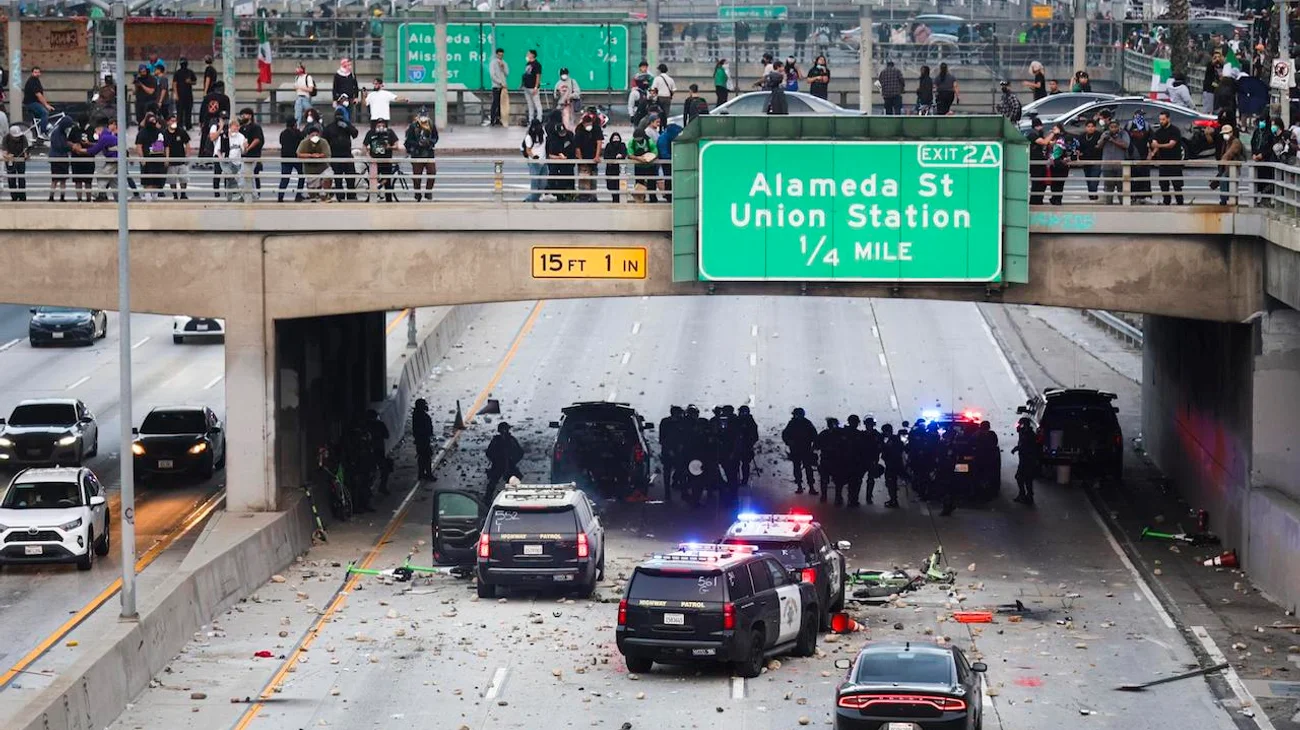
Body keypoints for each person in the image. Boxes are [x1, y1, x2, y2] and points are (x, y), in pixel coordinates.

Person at [1149, 110, 1185, 205]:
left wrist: (1158, 146)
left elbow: (1171, 145)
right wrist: (1153, 152)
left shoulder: (1175, 130)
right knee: (1163, 185)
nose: (1161, 121)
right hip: (1163, 162)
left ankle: (1180, 202)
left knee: (1177, 185)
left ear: (1168, 119)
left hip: (1174, 162)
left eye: (1163, 119)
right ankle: (1166, 202)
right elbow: (1154, 143)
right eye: (1160, 119)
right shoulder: (1158, 132)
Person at [324, 109, 359, 201]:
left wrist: (347, 127)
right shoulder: (330, 127)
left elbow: (355, 133)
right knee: (338, 179)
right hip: (335, 155)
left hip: (347, 154)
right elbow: (324, 139)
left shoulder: (346, 124)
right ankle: (340, 196)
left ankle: (351, 195)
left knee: (350, 177)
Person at [781, 407, 818, 494]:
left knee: (808, 469)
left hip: (805, 449)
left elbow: (814, 435)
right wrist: (789, 442)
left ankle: (810, 487)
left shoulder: (806, 423)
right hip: (796, 449)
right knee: (798, 468)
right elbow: (785, 435)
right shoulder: (792, 423)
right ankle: (800, 486)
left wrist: (814, 445)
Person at [406, 107, 439, 201]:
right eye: (422, 115)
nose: (423, 118)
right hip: (417, 153)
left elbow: (435, 137)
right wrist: (417, 144)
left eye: (425, 115)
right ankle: (417, 193)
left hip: (428, 152)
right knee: (417, 176)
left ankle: (428, 192)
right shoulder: (413, 126)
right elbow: (409, 140)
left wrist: (429, 142)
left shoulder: (431, 124)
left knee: (432, 172)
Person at [364, 118, 399, 202]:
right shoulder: (370, 133)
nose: (381, 127)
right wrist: (368, 156)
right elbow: (364, 146)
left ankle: (389, 199)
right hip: (374, 162)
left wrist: (389, 147)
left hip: (386, 161)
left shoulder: (390, 133)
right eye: (379, 125)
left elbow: (397, 146)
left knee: (387, 182)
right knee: (372, 181)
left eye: (383, 125)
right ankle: (371, 198)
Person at [572, 110, 603, 202]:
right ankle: (583, 196)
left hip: (593, 156)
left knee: (593, 177)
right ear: (583, 124)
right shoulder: (579, 129)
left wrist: (597, 156)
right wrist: (581, 160)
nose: (588, 126)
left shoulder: (596, 128)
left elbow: (599, 142)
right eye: (587, 124)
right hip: (583, 156)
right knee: (583, 178)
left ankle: (593, 196)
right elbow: (577, 147)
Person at [296, 123, 332, 201]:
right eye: (312, 135)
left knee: (328, 177)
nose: (315, 137)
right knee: (312, 192)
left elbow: (326, 153)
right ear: (308, 136)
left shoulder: (323, 142)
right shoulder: (304, 143)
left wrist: (319, 156)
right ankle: (314, 196)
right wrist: (311, 155)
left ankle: (325, 195)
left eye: (316, 135)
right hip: (310, 169)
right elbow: (299, 154)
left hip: (323, 167)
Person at [136, 111, 168, 198]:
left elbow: (166, 146)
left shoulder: (160, 132)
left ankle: (154, 198)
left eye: (154, 120)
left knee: (157, 182)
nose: (153, 122)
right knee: (147, 181)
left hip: (158, 159)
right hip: (148, 160)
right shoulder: (142, 132)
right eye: (150, 120)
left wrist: (166, 158)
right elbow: (139, 146)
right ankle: (148, 199)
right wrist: (142, 158)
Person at [485, 422, 524, 492]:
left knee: (510, 482)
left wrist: (513, 461)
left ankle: (488, 499)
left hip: (505, 464)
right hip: (501, 464)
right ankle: (487, 499)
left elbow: (488, 453)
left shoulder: (500, 440)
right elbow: (520, 452)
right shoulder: (507, 440)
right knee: (494, 482)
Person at [1100, 118, 1130, 205]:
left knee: (1121, 186)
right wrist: (1104, 140)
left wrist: (1113, 140)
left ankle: (1123, 204)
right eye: (1111, 127)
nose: (1113, 129)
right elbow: (1098, 146)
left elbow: (1126, 145)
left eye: (1115, 127)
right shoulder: (1105, 133)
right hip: (1107, 165)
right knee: (1109, 187)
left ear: (1118, 127)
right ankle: (1109, 204)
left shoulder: (1123, 134)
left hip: (1120, 165)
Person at [238, 108, 265, 199]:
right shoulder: (241, 128)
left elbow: (257, 139)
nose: (242, 117)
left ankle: (254, 195)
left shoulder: (255, 127)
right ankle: (247, 194)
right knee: (246, 176)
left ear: (250, 116)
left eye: (244, 115)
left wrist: (248, 148)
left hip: (253, 155)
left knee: (251, 176)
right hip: (243, 156)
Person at [629, 120, 659, 203]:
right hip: (639, 166)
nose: (638, 140)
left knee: (651, 183)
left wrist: (649, 158)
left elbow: (655, 152)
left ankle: (653, 198)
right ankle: (640, 199)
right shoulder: (632, 142)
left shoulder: (649, 141)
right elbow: (630, 154)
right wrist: (639, 159)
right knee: (639, 183)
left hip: (650, 165)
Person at [545, 119, 576, 201]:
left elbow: (574, 147)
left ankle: (570, 195)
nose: (563, 134)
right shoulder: (553, 139)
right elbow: (550, 155)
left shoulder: (570, 135)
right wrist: (559, 157)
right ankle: (559, 196)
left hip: (568, 162)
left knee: (569, 179)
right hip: (557, 164)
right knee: (557, 180)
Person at [1011, 417, 1039, 505]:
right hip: (1025, 460)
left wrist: (1016, 449)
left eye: (1019, 424)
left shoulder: (1028, 435)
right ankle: (1027, 495)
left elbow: (1025, 446)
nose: (1017, 427)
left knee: (1022, 477)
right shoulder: (1024, 433)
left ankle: (1025, 495)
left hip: (1027, 460)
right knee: (1026, 478)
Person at [1126, 109, 1153, 203]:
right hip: (1132, 155)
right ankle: (1132, 196)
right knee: (1132, 176)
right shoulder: (1129, 125)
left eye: (1142, 115)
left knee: (1144, 176)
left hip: (1143, 155)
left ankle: (1144, 196)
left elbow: (1151, 140)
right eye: (1138, 115)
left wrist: (1151, 153)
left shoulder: (1147, 126)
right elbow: (1126, 138)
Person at [658, 406, 685, 499]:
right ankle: (667, 493)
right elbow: (662, 438)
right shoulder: (666, 422)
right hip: (668, 450)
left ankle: (682, 491)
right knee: (668, 472)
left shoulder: (681, 421)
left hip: (678, 450)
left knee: (681, 471)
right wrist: (669, 450)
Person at [364, 410, 392, 497]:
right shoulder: (379, 424)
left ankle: (369, 490)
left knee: (370, 472)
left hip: (370, 451)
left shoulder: (366, 425)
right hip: (377, 450)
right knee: (384, 470)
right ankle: (381, 487)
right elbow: (387, 435)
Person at [1025, 116, 1052, 205]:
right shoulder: (1032, 134)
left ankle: (1039, 200)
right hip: (1035, 164)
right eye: (1040, 126)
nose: (1042, 128)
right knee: (1036, 183)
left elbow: (1047, 143)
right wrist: (1052, 134)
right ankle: (1034, 201)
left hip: (1042, 163)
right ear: (1036, 126)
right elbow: (1043, 142)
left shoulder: (1039, 135)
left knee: (1042, 183)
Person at [277, 116, 305, 202]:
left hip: (285, 158)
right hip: (297, 158)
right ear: (294, 124)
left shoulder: (283, 133)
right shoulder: (297, 133)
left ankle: (280, 196)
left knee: (285, 178)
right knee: (302, 176)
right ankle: (298, 195)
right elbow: (302, 142)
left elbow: (281, 142)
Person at [815, 417, 841, 504]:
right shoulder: (838, 434)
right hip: (828, 459)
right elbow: (816, 445)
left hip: (835, 460)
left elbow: (816, 446)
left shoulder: (838, 434)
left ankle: (834, 496)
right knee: (827, 479)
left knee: (836, 480)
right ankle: (828, 496)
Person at [1251, 114, 1276, 202]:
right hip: (1257, 160)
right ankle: (1259, 199)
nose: (1262, 123)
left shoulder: (1269, 133)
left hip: (1266, 161)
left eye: (1264, 121)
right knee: (1258, 181)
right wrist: (1254, 154)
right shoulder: (1257, 132)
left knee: (1266, 181)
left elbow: (1271, 147)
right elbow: (1253, 143)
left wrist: (1263, 154)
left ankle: (1266, 200)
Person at [48, 115, 74, 202]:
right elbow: (60, 146)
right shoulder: (57, 133)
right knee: (57, 180)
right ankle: (53, 197)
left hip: (58, 157)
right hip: (58, 157)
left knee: (59, 180)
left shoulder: (59, 132)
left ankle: (59, 197)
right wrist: (70, 147)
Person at [1216, 124, 1244, 205]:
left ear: (1231, 133)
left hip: (1233, 167)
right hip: (1226, 167)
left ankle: (1225, 200)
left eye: (1227, 133)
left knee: (1227, 182)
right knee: (1225, 182)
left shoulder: (1235, 142)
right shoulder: (1226, 142)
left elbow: (1230, 152)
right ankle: (1226, 199)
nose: (1225, 135)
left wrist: (1223, 159)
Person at [1078, 119, 1103, 200]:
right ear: (1086, 127)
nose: (1090, 128)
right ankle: (1092, 194)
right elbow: (1079, 147)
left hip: (1096, 160)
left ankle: (1093, 194)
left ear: (1095, 127)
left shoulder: (1099, 135)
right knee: (1088, 178)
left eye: (1092, 126)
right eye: (1088, 126)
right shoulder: (1082, 136)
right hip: (1086, 160)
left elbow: (1098, 147)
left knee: (1094, 179)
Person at [23, 67, 54, 135]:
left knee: (38, 119)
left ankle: (37, 135)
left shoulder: (36, 80)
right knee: (44, 113)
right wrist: (46, 105)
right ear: (32, 73)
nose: (37, 74)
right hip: (31, 103)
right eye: (35, 72)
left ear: (40, 73)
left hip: (33, 102)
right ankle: (43, 133)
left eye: (38, 72)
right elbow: (38, 94)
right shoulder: (33, 81)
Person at [973, 420, 999, 498]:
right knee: (986, 476)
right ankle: (985, 492)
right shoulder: (992, 434)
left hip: (981, 459)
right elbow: (995, 444)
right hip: (988, 459)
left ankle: (981, 492)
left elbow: (970, 443)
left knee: (980, 476)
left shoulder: (977, 434)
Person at [2, 125, 30, 201]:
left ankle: (22, 197)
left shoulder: (23, 137)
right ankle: (14, 196)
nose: (17, 138)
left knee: (21, 178)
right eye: (15, 137)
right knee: (11, 178)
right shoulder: (6, 138)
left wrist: (26, 154)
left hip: (20, 159)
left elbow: (25, 149)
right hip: (10, 159)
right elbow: (4, 151)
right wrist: (7, 156)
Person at [522, 117, 546, 202]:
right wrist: (533, 157)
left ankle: (532, 198)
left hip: (544, 162)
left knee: (543, 183)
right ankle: (532, 199)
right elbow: (528, 150)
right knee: (535, 183)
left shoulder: (543, 134)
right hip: (534, 163)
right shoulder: (529, 137)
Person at [880, 424, 904, 508]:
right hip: (893, 464)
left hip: (893, 464)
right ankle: (893, 499)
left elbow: (888, 450)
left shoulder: (893, 439)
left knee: (891, 482)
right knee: (891, 482)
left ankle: (894, 500)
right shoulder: (894, 438)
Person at [412, 399, 435, 480]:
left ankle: (422, 474)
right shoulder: (421, 416)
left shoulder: (417, 414)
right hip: (423, 439)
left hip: (421, 439)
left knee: (422, 457)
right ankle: (427, 474)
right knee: (426, 457)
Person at [736, 404, 758, 487]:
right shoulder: (737, 421)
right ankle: (737, 479)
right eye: (742, 412)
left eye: (744, 412)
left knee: (745, 464)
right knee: (736, 465)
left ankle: (744, 480)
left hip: (746, 447)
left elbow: (755, 436)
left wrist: (750, 442)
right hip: (736, 446)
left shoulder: (751, 422)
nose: (743, 413)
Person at [602, 130, 627, 203]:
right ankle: (614, 198)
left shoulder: (622, 145)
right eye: (614, 138)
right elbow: (606, 156)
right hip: (610, 169)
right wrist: (614, 157)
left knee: (619, 185)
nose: (616, 140)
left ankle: (618, 200)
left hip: (620, 169)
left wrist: (621, 155)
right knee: (611, 185)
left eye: (617, 138)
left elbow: (624, 154)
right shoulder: (608, 145)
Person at [173, 58, 198, 130]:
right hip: (180, 95)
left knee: (188, 111)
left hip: (188, 95)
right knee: (179, 112)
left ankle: (188, 125)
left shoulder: (190, 72)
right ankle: (179, 125)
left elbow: (195, 81)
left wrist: (190, 82)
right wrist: (176, 94)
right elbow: (174, 84)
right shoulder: (177, 73)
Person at [522, 49, 543, 124]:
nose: (527, 54)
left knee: (537, 104)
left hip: (533, 87)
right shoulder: (528, 64)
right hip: (526, 87)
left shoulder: (537, 64)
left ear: (532, 55)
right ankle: (531, 120)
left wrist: (536, 87)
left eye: (528, 53)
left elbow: (538, 76)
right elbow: (526, 75)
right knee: (530, 104)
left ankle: (539, 119)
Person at [292, 62, 317, 126]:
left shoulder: (308, 77)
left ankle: (313, 125)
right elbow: (295, 87)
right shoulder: (297, 78)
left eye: (298, 68)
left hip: (306, 97)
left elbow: (310, 89)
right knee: (297, 115)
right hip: (299, 97)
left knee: (310, 113)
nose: (297, 69)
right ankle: (296, 128)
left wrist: (300, 88)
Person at [489, 48, 509, 127]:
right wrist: (500, 82)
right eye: (499, 55)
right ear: (496, 54)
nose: (500, 56)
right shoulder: (493, 63)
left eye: (502, 55)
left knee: (502, 103)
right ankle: (492, 119)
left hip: (503, 87)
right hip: (496, 86)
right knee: (495, 102)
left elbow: (507, 73)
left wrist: (503, 67)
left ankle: (499, 119)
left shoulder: (504, 63)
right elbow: (492, 75)